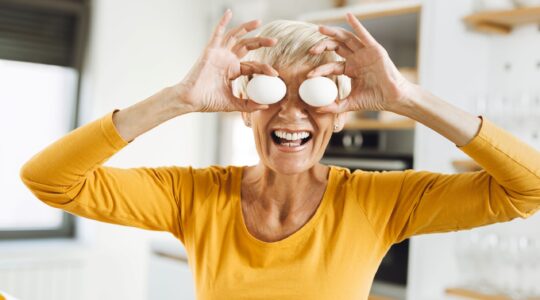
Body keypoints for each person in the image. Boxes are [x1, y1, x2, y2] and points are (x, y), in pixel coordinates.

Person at [20, 10, 540, 300]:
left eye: (312, 96)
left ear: (338, 113)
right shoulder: (195, 196)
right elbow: (49, 180)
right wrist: (177, 98)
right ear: (246, 108)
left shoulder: (379, 201)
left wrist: (408, 99)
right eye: (273, 94)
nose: (292, 114)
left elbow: (529, 188)